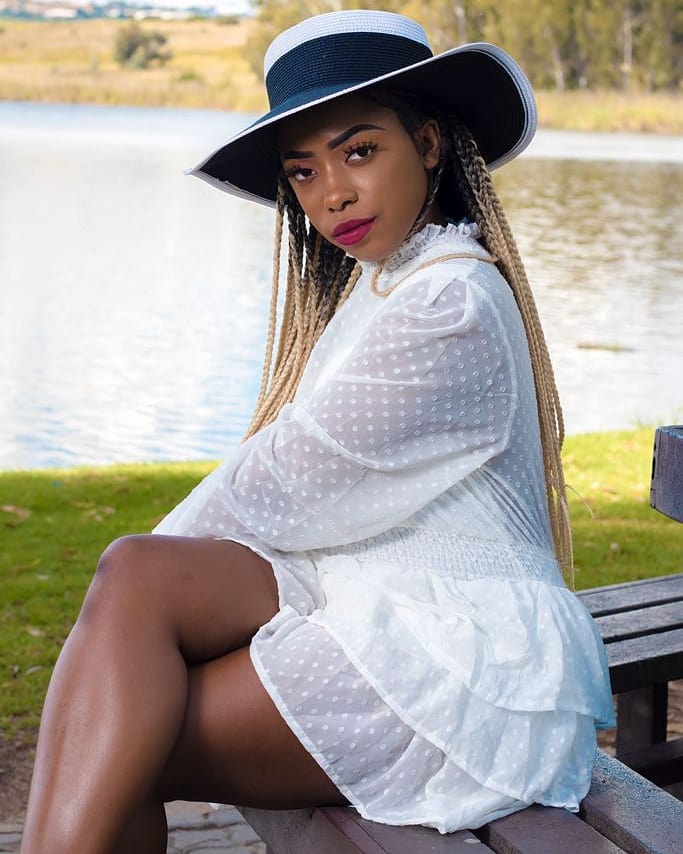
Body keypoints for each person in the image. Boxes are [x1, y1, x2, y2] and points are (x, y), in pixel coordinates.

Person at [20, 10, 615, 853]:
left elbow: (287, 486)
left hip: (467, 665)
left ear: (429, 144)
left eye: (358, 151)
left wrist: (136, 591)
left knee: (117, 732)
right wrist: (136, 585)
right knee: (130, 598)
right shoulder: (389, 283)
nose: (330, 193)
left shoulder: (449, 303)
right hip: (378, 601)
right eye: (302, 171)